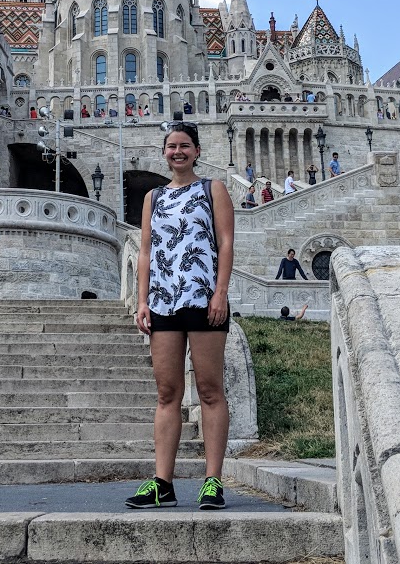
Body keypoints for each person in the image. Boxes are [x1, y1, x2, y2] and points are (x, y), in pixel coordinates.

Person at [129, 121, 233, 511]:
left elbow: (225, 242)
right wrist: (143, 300)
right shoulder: (153, 197)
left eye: (184, 146)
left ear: (197, 151)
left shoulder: (212, 190)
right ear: (164, 152)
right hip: (162, 302)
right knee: (167, 393)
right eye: (171, 146)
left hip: (205, 300)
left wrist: (220, 292)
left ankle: (212, 481)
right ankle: (162, 483)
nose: (178, 152)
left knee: (209, 389)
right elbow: (144, 251)